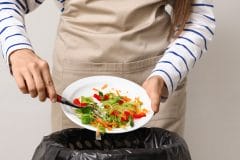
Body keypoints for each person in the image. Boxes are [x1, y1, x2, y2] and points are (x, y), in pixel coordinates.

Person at [0, 0, 215, 136]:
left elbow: (199, 19)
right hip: (76, 93)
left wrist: (164, 75)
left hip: (154, 91)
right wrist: (18, 49)